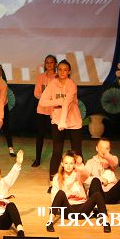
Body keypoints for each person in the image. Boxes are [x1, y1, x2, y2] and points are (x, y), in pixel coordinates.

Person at [38, 59, 82, 193]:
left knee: (77, 152)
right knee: (57, 152)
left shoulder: (71, 85)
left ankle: (79, 182)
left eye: (65, 70)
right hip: (58, 120)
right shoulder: (53, 83)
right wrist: (57, 101)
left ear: (69, 72)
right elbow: (42, 101)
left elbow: (67, 103)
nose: (62, 72)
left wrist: (63, 121)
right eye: (60, 69)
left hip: (73, 120)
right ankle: (53, 183)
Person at [45, 151, 111, 233]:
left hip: (82, 209)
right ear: (62, 164)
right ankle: (50, 222)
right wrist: (69, 194)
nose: (68, 166)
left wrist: (80, 165)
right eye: (66, 163)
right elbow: (54, 199)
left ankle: (106, 222)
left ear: (74, 165)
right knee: (60, 193)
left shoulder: (78, 174)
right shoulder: (57, 177)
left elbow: (88, 177)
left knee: (97, 195)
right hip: (68, 210)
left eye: (71, 163)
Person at [84, 138, 120, 214]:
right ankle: (96, 207)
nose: (104, 150)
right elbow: (84, 179)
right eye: (101, 148)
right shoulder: (91, 162)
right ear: (97, 148)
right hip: (98, 195)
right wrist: (100, 179)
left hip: (111, 195)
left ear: (109, 149)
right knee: (95, 180)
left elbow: (114, 162)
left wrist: (107, 156)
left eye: (107, 148)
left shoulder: (112, 159)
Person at [32, 54, 57, 167]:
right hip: (41, 110)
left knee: (55, 136)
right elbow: (36, 93)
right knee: (39, 135)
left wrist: (47, 97)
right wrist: (47, 98)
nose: (49, 64)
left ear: (55, 64)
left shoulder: (58, 77)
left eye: (51, 62)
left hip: (54, 111)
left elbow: (57, 95)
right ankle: (37, 159)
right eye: (47, 62)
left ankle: (56, 159)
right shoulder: (40, 77)